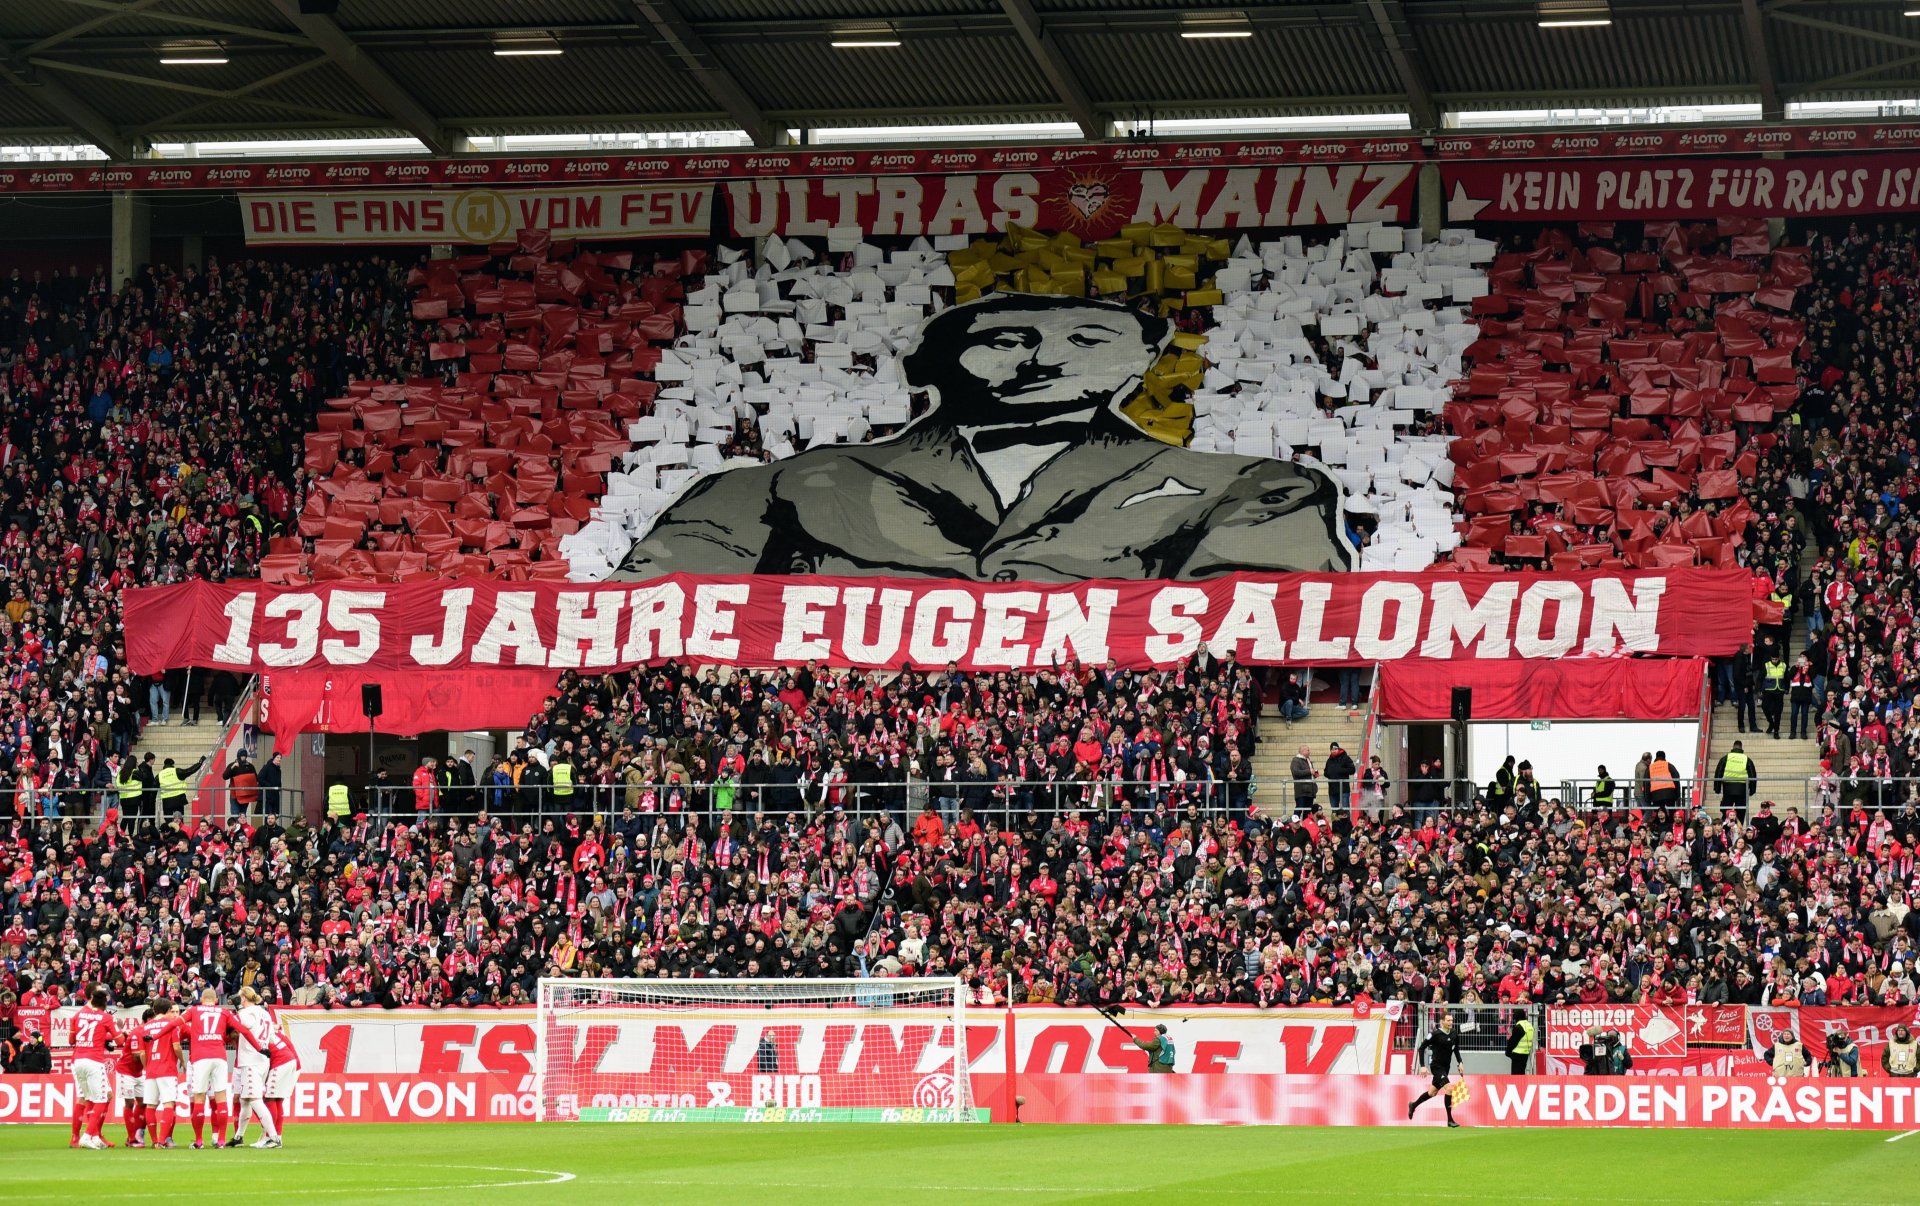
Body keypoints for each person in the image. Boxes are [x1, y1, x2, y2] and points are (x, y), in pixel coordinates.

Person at [614, 294, 1350, 581]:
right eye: (1004, 339)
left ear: (1142, 362)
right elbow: (646, 613)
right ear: (933, 365)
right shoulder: (766, 487)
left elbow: (1257, 627)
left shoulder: (1256, 488)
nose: (1043, 357)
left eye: (1090, 338)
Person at [231, 985, 295, 1148]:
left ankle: (273, 1138)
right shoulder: (265, 1014)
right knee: (245, 1099)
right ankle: (239, 1136)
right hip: (263, 1061)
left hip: (251, 1060)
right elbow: (272, 1038)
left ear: (243, 998)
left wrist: (233, 1016)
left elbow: (239, 1026)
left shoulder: (246, 1013)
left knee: (255, 1099)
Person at [181, 987, 242, 1149]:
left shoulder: (193, 1013)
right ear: (216, 1000)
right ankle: (219, 1138)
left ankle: (203, 1139)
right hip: (217, 1059)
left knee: (199, 1099)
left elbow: (178, 1031)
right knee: (217, 1099)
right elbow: (237, 1030)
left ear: (201, 1000)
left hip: (197, 1063)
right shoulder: (222, 1013)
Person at [69, 986, 117, 1150]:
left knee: (105, 1095)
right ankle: (82, 1136)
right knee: (90, 1098)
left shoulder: (79, 1015)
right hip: (91, 1060)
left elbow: (72, 1039)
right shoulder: (99, 1016)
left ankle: (95, 1134)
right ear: (92, 996)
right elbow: (118, 1039)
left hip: (80, 1060)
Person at [137, 998, 186, 1149]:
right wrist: (182, 1061)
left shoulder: (145, 1027)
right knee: (169, 1104)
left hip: (151, 1070)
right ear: (168, 1010)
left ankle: (154, 1140)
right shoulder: (171, 1025)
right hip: (167, 1069)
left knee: (151, 1105)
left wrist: (147, 1067)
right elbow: (177, 1046)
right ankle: (163, 1140)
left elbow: (141, 1053)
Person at [1408, 1013, 1461, 1127]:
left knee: (1432, 1093)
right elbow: (1421, 1048)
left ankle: (1413, 1105)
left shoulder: (1454, 1033)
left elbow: (1456, 1049)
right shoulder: (1434, 1034)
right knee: (1450, 1088)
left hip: (1446, 1067)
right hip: (1436, 1067)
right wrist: (1422, 1066)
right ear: (1442, 1021)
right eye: (1448, 1020)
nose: (1451, 1022)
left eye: (1451, 1020)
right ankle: (1450, 1120)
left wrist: (1460, 1062)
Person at [113, 1013, 146, 1147]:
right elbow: (135, 1056)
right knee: (129, 1103)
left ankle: (134, 1135)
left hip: (138, 1073)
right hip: (125, 1071)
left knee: (144, 1102)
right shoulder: (137, 1033)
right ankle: (132, 1139)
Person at [156, 755, 204, 820]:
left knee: (168, 821)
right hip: (178, 800)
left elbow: (154, 787)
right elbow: (190, 771)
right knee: (179, 820)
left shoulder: (159, 775)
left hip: (167, 802)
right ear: (172, 764)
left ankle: (170, 830)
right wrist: (200, 763)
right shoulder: (177, 771)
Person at [1714, 741, 1756, 813]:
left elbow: (1718, 773)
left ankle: (1726, 823)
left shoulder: (1725, 758)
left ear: (1733, 747)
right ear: (1741, 748)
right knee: (1741, 812)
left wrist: (1717, 789)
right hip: (1742, 789)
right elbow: (1753, 776)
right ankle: (1739, 823)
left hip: (1727, 788)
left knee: (1726, 811)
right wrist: (1752, 790)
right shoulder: (1746, 759)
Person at [1324, 742, 1355, 816]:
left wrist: (1340, 770)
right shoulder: (1329, 760)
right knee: (1334, 812)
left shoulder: (1345, 758)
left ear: (1338, 749)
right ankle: (1335, 826)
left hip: (1344, 789)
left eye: (1335, 749)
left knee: (1345, 810)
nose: (1334, 751)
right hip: (1332, 789)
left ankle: (1347, 826)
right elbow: (1325, 772)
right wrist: (1329, 773)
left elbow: (1352, 770)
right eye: (1332, 749)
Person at [1761, 651, 1788, 738]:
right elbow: (1760, 677)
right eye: (1773, 659)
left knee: (1778, 712)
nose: (1774, 661)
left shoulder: (1783, 665)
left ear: (1779, 658)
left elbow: (1786, 678)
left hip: (1779, 691)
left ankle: (1776, 731)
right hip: (1768, 690)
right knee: (1764, 706)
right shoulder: (1766, 665)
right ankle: (1771, 723)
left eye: (1776, 659)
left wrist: (1787, 688)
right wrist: (1760, 689)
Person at [1504, 1006, 1536, 1075]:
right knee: (1522, 1073)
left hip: (1517, 1054)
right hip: (1525, 1053)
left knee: (1516, 1075)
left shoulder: (1519, 1026)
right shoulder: (1529, 1025)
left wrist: (1508, 1052)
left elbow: (1513, 1041)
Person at [1290, 746, 1319, 818]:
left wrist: (1314, 774)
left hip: (1310, 790)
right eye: (1308, 750)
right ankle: (1295, 824)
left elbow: (1309, 773)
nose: (1309, 751)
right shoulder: (1296, 760)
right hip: (1301, 790)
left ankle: (1306, 827)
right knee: (1299, 809)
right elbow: (1295, 772)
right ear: (1302, 751)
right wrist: (1309, 771)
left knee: (1308, 811)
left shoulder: (1308, 760)